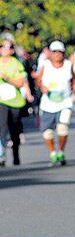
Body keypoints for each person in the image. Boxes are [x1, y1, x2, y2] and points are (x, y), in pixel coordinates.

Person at [37, 41, 75, 166]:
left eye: (60, 52)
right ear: (50, 53)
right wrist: (42, 87)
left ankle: (61, 151)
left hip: (65, 102)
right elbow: (38, 81)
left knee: (62, 128)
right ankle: (53, 152)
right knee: (47, 132)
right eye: (55, 52)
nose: (57, 54)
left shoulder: (68, 65)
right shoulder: (45, 65)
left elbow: (73, 80)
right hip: (48, 103)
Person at [0, 33, 31, 166]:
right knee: (2, 129)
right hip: (1, 101)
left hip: (15, 101)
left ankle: (16, 155)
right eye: (2, 46)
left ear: (12, 50)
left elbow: (20, 83)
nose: (5, 49)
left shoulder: (16, 64)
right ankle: (1, 155)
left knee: (14, 130)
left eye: (8, 47)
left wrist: (7, 78)